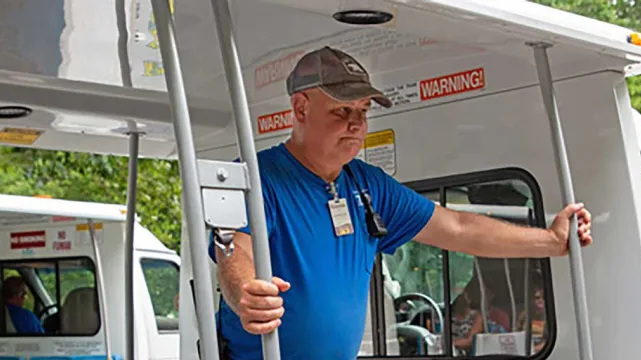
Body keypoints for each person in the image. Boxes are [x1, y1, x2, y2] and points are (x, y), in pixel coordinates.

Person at [208, 46, 593, 359]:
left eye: (362, 111)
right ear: (301, 108)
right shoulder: (256, 179)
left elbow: (458, 228)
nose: (357, 124)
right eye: (342, 111)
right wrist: (246, 293)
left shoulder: (367, 186)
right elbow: (232, 251)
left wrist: (553, 241)